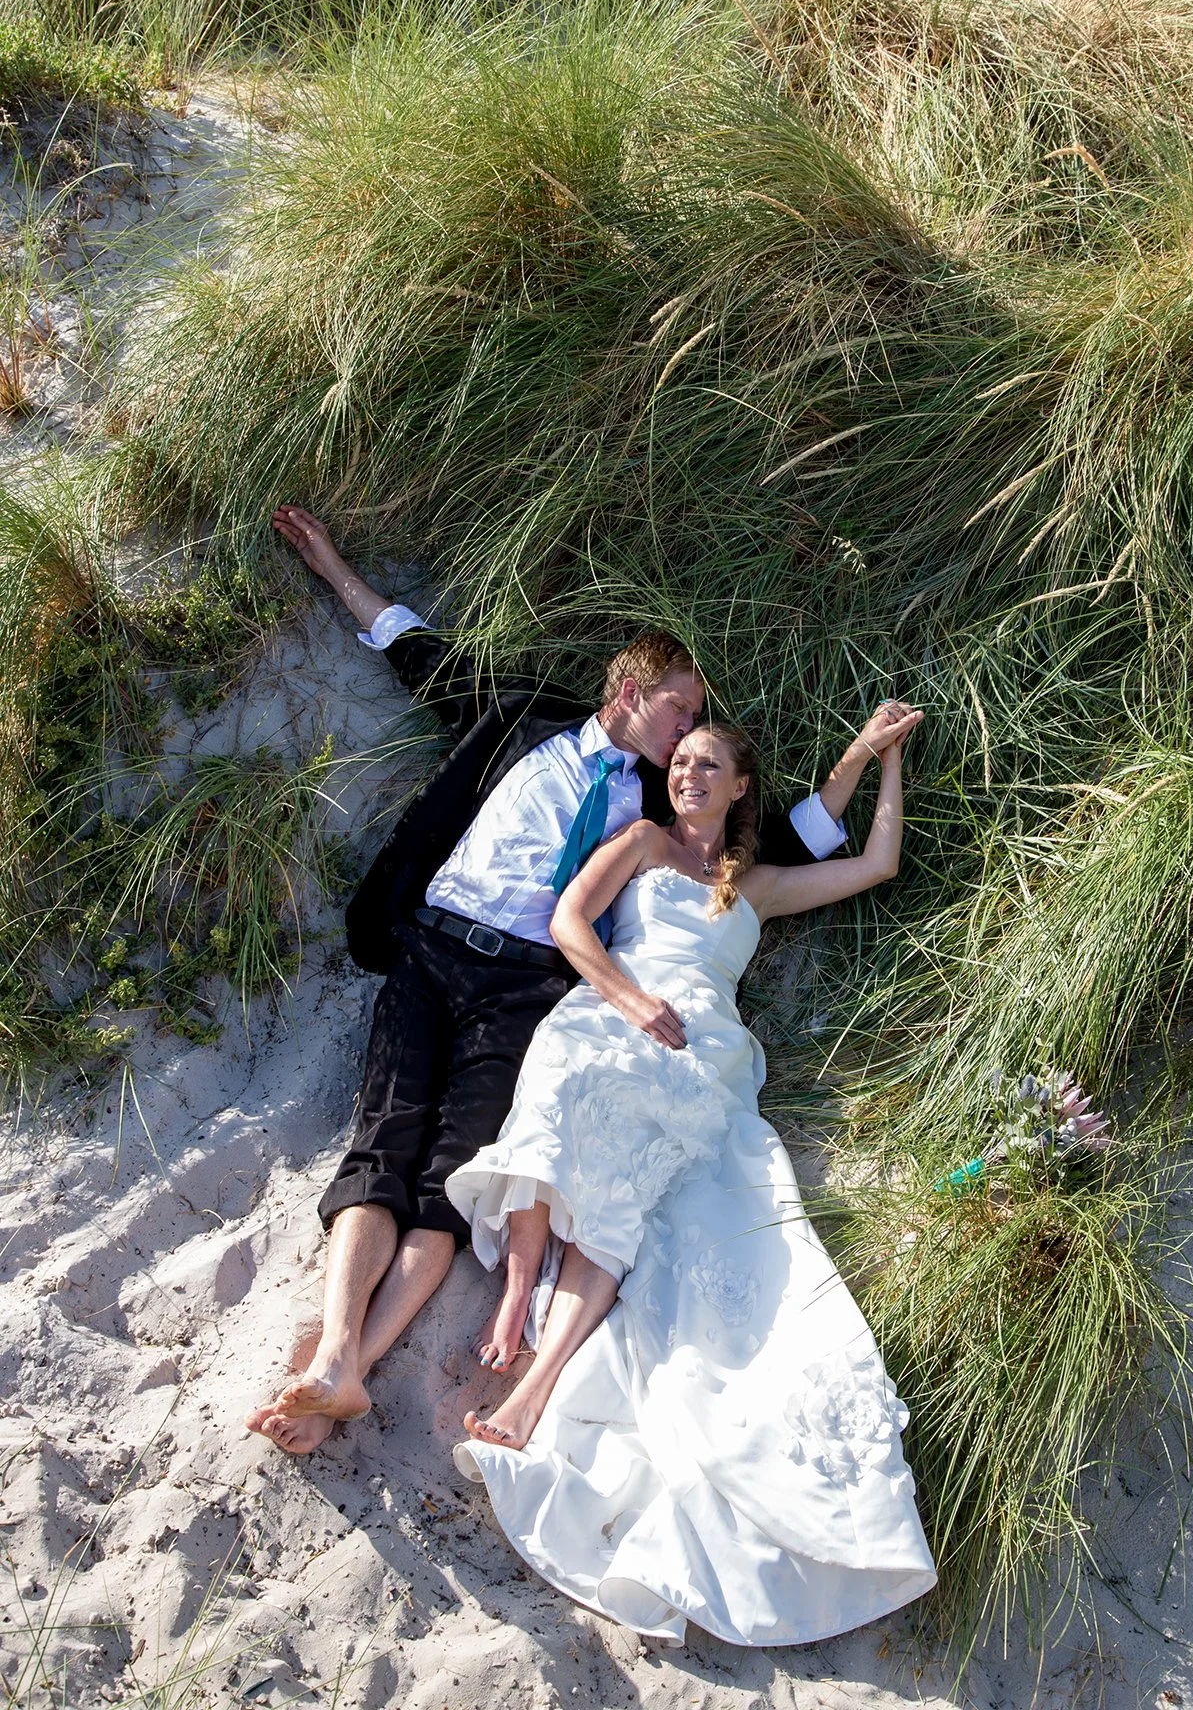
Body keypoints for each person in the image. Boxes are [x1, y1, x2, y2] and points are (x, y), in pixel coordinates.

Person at [247, 506, 893, 1454]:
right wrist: (335, 566)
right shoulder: (523, 715)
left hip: (525, 994)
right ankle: (335, 1351)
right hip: (430, 950)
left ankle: (355, 1367)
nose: (686, 737)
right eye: (679, 710)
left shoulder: (661, 821)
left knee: (450, 1181)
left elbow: (771, 855)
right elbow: (419, 652)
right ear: (631, 689)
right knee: (380, 1145)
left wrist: (858, 761)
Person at [445, 710, 936, 1646]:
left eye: (708, 764)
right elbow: (568, 921)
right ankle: (516, 1292)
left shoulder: (755, 884)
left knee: (626, 1185)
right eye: (679, 762)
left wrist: (884, 758)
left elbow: (875, 863)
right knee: (562, 1079)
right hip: (614, 1008)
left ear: (742, 786)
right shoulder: (639, 841)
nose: (686, 775)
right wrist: (628, 1001)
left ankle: (536, 1383)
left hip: (701, 1047)